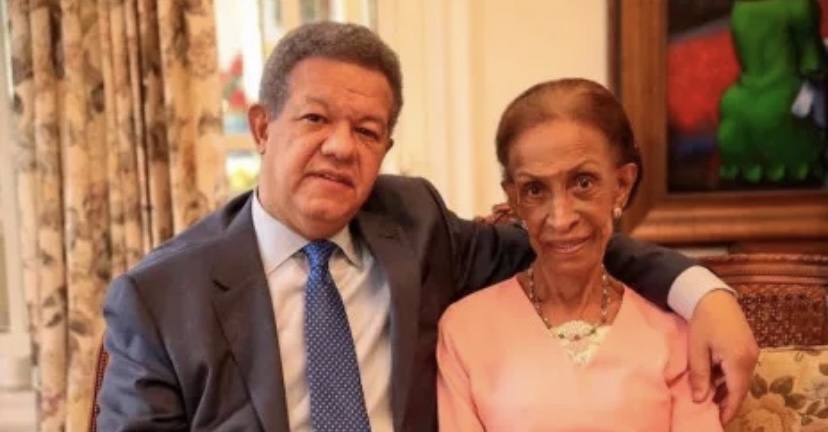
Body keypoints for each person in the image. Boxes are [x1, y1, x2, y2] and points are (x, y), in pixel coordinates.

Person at [97, 22, 757, 432]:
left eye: (366, 130)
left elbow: (566, 241)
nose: (340, 147)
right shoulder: (162, 299)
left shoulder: (413, 225)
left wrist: (706, 295)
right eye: (315, 119)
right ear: (264, 127)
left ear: (385, 150)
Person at [437, 78, 725, 431]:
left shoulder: (674, 335)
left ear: (621, 185)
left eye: (583, 183)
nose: (561, 218)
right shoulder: (465, 330)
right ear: (514, 200)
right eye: (535, 190)